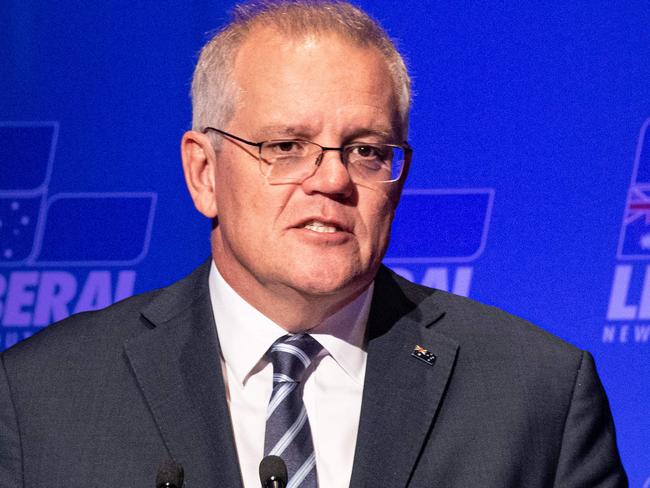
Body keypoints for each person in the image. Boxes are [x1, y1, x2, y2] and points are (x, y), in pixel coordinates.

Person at [0, 1, 627, 487]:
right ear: (204, 174)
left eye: (366, 151)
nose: (332, 179)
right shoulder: (45, 398)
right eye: (286, 146)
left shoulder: (535, 394)